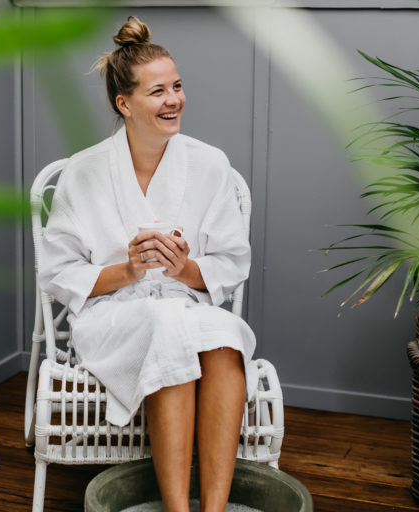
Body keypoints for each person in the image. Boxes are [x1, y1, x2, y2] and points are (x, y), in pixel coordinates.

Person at [38, 16, 258, 512]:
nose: (174, 99)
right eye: (158, 91)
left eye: (177, 86)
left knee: (225, 339)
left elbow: (231, 260)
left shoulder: (209, 164)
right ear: (125, 103)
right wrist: (129, 270)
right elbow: (58, 271)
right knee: (170, 330)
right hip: (112, 315)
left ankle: (214, 509)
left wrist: (184, 269)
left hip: (185, 304)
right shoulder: (84, 171)